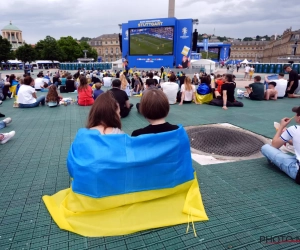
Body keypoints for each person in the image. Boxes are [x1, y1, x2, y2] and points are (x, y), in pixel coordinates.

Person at [261, 106, 300, 184]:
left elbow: (274, 145)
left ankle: (274, 161)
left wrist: (281, 126)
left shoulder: (294, 129)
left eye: (296, 113)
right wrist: (289, 140)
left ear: (299, 118)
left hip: (298, 172)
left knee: (265, 148)